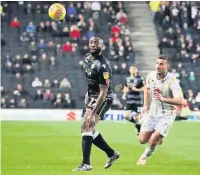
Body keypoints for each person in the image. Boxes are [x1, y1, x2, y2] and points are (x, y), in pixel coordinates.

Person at [73, 35, 120, 171]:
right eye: (91, 42)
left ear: (102, 46)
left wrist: (93, 113)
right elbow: (90, 81)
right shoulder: (87, 58)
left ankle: (86, 164)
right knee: (86, 128)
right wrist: (88, 95)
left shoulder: (104, 66)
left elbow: (103, 92)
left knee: (86, 125)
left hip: (104, 98)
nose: (93, 44)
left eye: (96, 43)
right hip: (92, 96)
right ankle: (112, 153)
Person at [136, 54, 187, 165]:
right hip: (153, 111)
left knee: (153, 139)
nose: (158, 66)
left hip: (168, 113)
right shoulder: (151, 76)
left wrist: (163, 99)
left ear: (166, 67)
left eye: (161, 64)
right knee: (142, 140)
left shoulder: (172, 81)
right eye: (157, 63)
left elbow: (181, 101)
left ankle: (144, 157)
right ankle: (159, 136)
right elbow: (147, 89)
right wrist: (145, 105)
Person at [122, 65, 144, 136]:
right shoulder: (127, 79)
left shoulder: (140, 79)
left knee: (137, 117)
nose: (133, 70)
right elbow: (125, 87)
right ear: (129, 70)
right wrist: (124, 93)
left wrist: (137, 89)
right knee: (126, 116)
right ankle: (138, 124)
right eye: (131, 69)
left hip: (137, 100)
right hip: (129, 100)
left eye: (134, 69)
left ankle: (139, 131)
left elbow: (145, 88)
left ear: (136, 70)